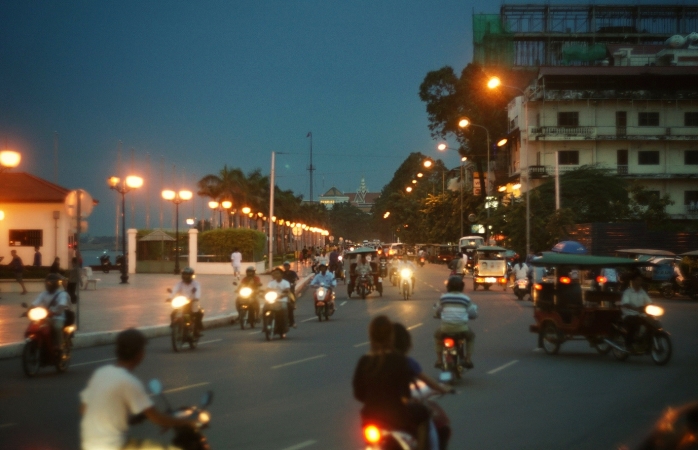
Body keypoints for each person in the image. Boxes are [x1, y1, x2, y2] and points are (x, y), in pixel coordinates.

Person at [80, 328, 196, 450]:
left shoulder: (101, 373)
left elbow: (83, 409)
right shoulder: (129, 382)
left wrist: (120, 419)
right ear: (139, 354)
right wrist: (186, 422)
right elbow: (157, 418)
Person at [352, 315, 430, 450]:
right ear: (391, 336)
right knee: (424, 414)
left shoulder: (364, 361)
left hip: (369, 418)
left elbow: (358, 394)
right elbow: (405, 393)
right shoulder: (399, 360)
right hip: (397, 416)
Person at [393, 323, 453, 450]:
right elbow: (429, 382)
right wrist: (442, 388)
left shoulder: (373, 361)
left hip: (374, 412)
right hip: (397, 410)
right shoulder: (407, 362)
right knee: (426, 417)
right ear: (406, 344)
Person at [434, 276, 477, 369]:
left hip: (445, 328)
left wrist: (437, 314)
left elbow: (437, 310)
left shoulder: (443, 298)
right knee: (471, 337)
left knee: (437, 336)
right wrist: (473, 316)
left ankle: (439, 360)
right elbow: (472, 312)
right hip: (462, 328)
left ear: (448, 287)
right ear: (461, 287)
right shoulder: (465, 299)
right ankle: (468, 359)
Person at [32, 273, 71, 352]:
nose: (47, 285)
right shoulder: (44, 294)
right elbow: (35, 303)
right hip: (45, 317)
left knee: (57, 327)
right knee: (36, 327)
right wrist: (29, 310)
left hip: (58, 317)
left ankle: (60, 347)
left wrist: (54, 312)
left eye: (50, 283)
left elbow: (61, 305)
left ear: (55, 284)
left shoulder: (62, 294)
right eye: (47, 283)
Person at [620, 272, 653, 351]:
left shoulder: (642, 292)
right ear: (633, 281)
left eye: (640, 280)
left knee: (652, 324)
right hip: (629, 314)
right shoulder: (628, 292)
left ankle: (647, 344)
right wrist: (635, 308)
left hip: (641, 315)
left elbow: (649, 302)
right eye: (637, 280)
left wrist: (651, 306)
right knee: (634, 324)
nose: (639, 282)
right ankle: (628, 344)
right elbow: (626, 304)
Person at [170, 267, 204, 338]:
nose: (186, 276)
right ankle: (174, 325)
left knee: (196, 313)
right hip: (182, 301)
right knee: (173, 313)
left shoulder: (196, 284)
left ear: (191, 275)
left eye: (187, 275)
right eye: (184, 274)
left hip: (192, 301)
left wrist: (196, 298)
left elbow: (197, 291)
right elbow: (174, 290)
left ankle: (196, 330)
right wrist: (170, 297)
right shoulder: (179, 284)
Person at [265, 268, 291, 338]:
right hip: (272, 300)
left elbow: (287, 291)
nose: (276, 275)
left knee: (284, 309)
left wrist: (283, 295)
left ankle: (284, 329)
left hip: (282, 300)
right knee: (264, 309)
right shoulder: (271, 283)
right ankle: (265, 326)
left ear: (281, 275)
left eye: (278, 273)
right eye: (275, 273)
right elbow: (267, 290)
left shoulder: (286, 283)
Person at [282, 261, 300, 328]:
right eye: (285, 266)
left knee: (291, 295)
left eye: (287, 266)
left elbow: (296, 278)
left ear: (289, 266)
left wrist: (294, 282)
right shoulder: (282, 273)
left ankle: (293, 303)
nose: (286, 267)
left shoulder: (292, 272)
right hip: (282, 289)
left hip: (290, 287)